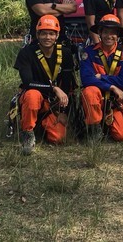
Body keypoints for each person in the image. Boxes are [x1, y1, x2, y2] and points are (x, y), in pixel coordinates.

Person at [14, 15, 75, 155]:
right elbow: (28, 82)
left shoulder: (65, 53)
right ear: (38, 34)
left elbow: (67, 84)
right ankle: (28, 133)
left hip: (54, 103)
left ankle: (42, 126)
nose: (47, 37)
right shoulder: (27, 52)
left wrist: (63, 112)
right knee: (32, 95)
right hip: (35, 96)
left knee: (58, 138)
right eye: (44, 33)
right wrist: (53, 88)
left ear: (57, 35)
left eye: (51, 33)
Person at [80, 14, 123, 142]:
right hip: (97, 98)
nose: (109, 36)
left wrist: (100, 77)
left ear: (118, 35)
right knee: (90, 90)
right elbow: (86, 79)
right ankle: (94, 129)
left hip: (117, 101)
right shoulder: (89, 52)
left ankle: (109, 123)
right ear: (99, 33)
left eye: (113, 33)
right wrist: (111, 86)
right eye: (106, 32)